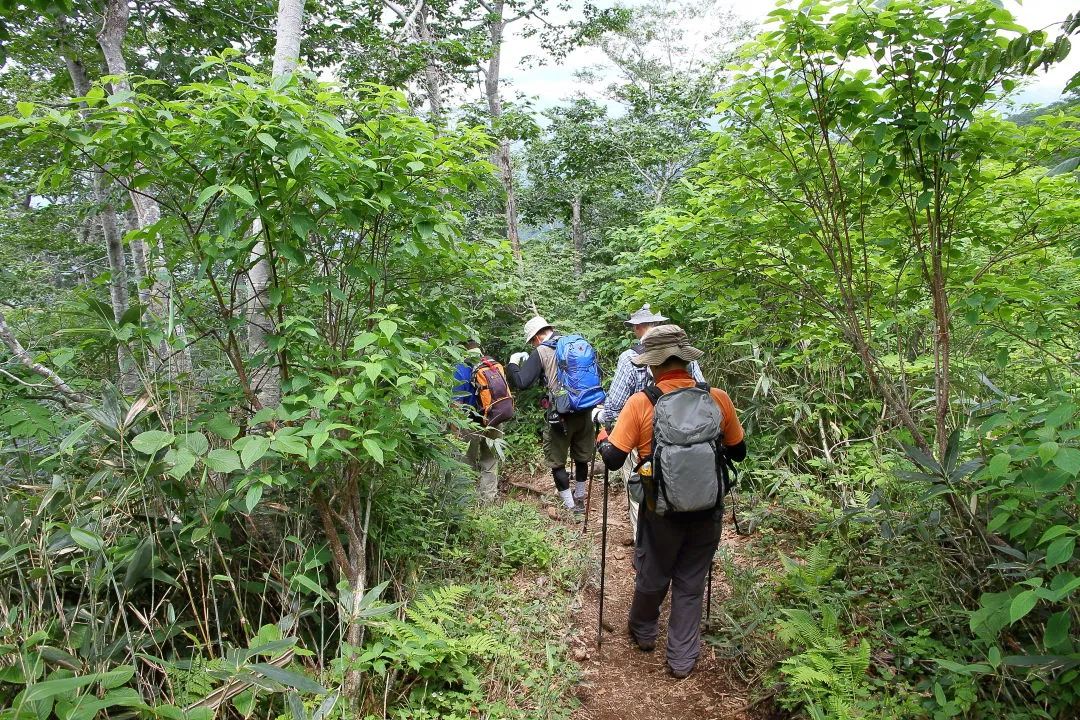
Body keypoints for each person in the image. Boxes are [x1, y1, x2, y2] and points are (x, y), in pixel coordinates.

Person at [597, 324, 746, 679]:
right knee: (691, 581)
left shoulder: (641, 403)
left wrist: (603, 438)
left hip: (660, 508)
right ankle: (681, 659)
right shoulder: (717, 398)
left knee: (654, 569)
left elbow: (614, 459)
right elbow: (738, 453)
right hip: (708, 507)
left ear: (652, 366)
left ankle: (644, 629)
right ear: (685, 360)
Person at [591, 304, 705, 545]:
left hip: (643, 436)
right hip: (689, 431)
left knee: (640, 493)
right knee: (687, 484)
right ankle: (688, 540)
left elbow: (615, 407)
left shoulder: (630, 358)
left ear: (640, 327)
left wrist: (600, 418)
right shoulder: (685, 355)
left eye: (635, 327)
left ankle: (643, 542)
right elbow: (701, 389)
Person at [506, 316, 599, 515]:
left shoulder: (542, 350)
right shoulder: (575, 344)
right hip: (585, 409)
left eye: (532, 340)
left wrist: (513, 365)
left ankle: (570, 506)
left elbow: (522, 382)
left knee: (557, 461)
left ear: (539, 336)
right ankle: (580, 497)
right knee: (582, 457)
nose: (532, 344)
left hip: (561, 415)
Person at [452, 340, 499, 505]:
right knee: (490, 460)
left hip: (469, 422)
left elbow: (457, 402)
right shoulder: (492, 365)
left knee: (466, 461)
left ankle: (467, 501)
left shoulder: (460, 368)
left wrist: (454, 431)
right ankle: (488, 500)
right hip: (494, 419)